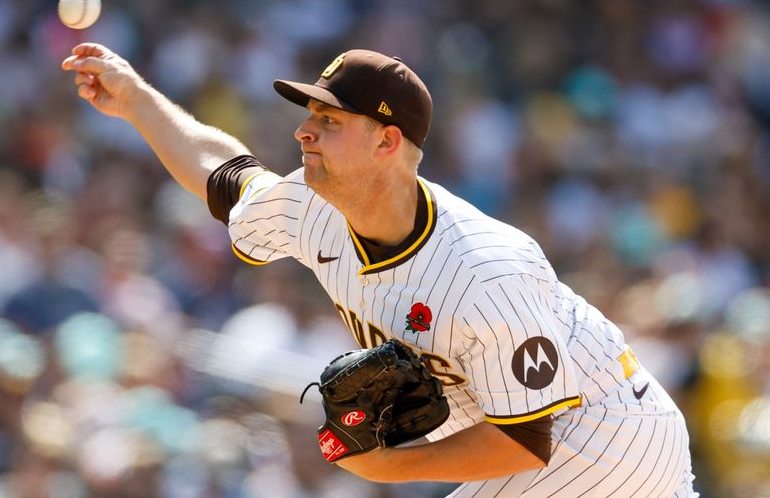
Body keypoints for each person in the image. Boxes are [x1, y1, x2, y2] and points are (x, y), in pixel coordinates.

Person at [63, 43, 698, 497]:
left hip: (601, 435)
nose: (305, 132)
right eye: (310, 115)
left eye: (330, 120)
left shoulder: (486, 272)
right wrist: (137, 100)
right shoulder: (316, 206)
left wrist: (387, 467)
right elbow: (224, 177)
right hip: (548, 436)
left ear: (387, 143)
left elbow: (527, 442)